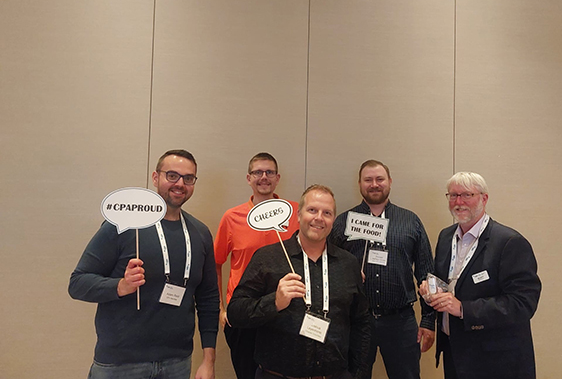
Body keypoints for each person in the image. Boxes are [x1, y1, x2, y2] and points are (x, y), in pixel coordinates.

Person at [69, 149, 219, 379]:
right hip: (120, 364)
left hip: (177, 363)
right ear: (155, 177)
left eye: (188, 178)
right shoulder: (122, 225)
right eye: (172, 175)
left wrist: (208, 361)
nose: (180, 183)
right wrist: (120, 286)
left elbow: (208, 299)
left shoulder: (200, 233)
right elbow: (78, 283)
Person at [227, 185, 371, 379]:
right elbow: (235, 313)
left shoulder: (348, 263)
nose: (319, 218)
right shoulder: (267, 258)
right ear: (298, 215)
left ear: (333, 220)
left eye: (327, 213)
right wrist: (274, 302)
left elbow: (362, 322)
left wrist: (359, 373)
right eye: (312, 210)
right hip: (276, 374)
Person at [419, 172, 541, 379]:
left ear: (484, 198)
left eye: (467, 195)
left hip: (496, 359)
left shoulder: (509, 242)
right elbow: (449, 282)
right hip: (455, 352)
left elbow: (523, 303)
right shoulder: (446, 236)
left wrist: (462, 309)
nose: (459, 202)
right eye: (453, 195)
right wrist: (432, 289)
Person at [328, 159, 435, 379]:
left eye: (379, 179)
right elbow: (324, 264)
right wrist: (345, 274)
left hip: (400, 321)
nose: (374, 184)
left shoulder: (410, 221)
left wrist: (428, 320)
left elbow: (426, 273)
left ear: (390, 182)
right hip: (356, 320)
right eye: (368, 180)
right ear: (359, 183)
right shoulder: (344, 222)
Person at [214, 152, 299, 379]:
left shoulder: (296, 213)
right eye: (257, 172)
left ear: (277, 178)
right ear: (248, 178)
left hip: (286, 314)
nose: (264, 177)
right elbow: (215, 263)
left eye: (269, 172)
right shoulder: (232, 217)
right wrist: (221, 309)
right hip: (244, 315)